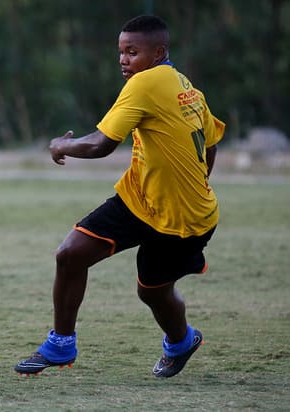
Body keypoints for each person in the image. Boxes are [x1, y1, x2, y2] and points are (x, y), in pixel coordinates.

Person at [14, 15, 225, 378]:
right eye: (121, 52)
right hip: (139, 198)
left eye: (133, 52)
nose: (124, 60)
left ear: (158, 52)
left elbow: (100, 145)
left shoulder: (146, 83)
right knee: (70, 254)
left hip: (182, 218)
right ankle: (61, 344)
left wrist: (61, 144)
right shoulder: (184, 84)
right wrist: (199, 177)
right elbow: (211, 143)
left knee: (153, 293)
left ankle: (181, 341)